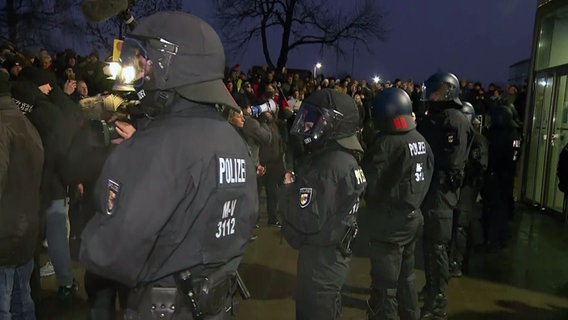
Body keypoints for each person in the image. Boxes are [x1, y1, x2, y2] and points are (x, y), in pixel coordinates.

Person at [79, 12, 258, 319]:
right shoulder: (232, 139)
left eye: (146, 60)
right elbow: (246, 221)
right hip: (217, 305)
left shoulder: (158, 146)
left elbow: (110, 252)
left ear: (168, 65)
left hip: (164, 307)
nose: (141, 69)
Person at [279, 88, 367, 319]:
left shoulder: (328, 167)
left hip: (321, 263)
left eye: (314, 120)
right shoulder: (345, 159)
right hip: (332, 258)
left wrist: (288, 191)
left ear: (333, 124)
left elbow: (305, 222)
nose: (307, 125)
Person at [362, 88, 434, 320]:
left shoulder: (386, 143)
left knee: (385, 289)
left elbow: (370, 184)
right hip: (412, 218)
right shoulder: (420, 139)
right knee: (407, 277)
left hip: (389, 226)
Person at [417, 72, 472, 320]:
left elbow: (451, 159)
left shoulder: (454, 120)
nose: (433, 95)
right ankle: (431, 289)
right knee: (430, 246)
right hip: (433, 191)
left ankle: (437, 302)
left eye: (437, 91)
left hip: (441, 192)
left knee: (437, 247)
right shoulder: (439, 117)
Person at [0, 69, 44, 319]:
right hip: (25, 231)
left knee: (3, 307)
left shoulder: (1, 127)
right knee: (22, 300)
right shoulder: (26, 124)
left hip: (4, 235)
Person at [448, 102, 488, 277]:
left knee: (461, 226)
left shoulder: (477, 139)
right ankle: (454, 259)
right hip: (457, 186)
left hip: (467, 187)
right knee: (453, 224)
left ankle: (459, 261)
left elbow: (481, 165)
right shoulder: (459, 136)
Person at [482, 103, 521, 252]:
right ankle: (493, 239)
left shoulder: (506, 133)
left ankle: (495, 240)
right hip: (500, 175)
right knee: (495, 209)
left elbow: (511, 156)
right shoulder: (509, 132)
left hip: (499, 176)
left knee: (498, 209)